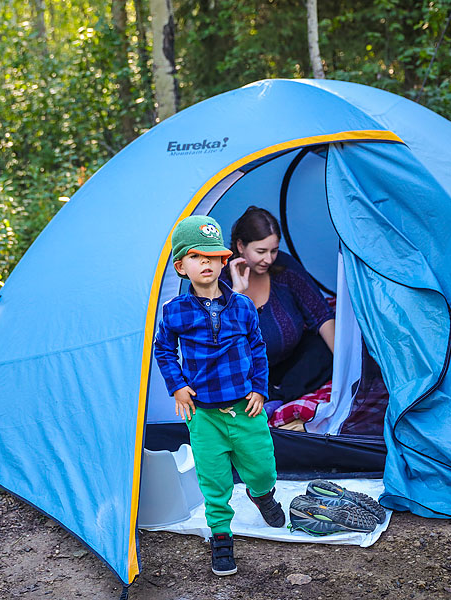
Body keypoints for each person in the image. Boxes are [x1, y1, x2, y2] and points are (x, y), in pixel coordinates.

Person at [153, 215, 285, 577]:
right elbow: (163, 350)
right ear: (181, 266)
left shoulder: (242, 306)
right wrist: (177, 386)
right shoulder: (174, 312)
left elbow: (258, 348)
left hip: (245, 408)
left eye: (214, 257)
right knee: (214, 480)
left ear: (224, 261)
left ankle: (263, 496)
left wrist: (259, 387)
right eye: (198, 257)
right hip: (204, 414)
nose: (208, 264)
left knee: (261, 468)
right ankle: (221, 537)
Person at [223, 206, 336, 415]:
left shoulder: (284, 268)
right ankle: (268, 397)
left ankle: (279, 398)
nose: (269, 259)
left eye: (273, 250)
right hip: (248, 372)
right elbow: (218, 344)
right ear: (240, 246)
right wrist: (237, 294)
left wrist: (347, 365)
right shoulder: (220, 281)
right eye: (261, 252)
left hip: (289, 364)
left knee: (321, 348)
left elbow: (321, 314)